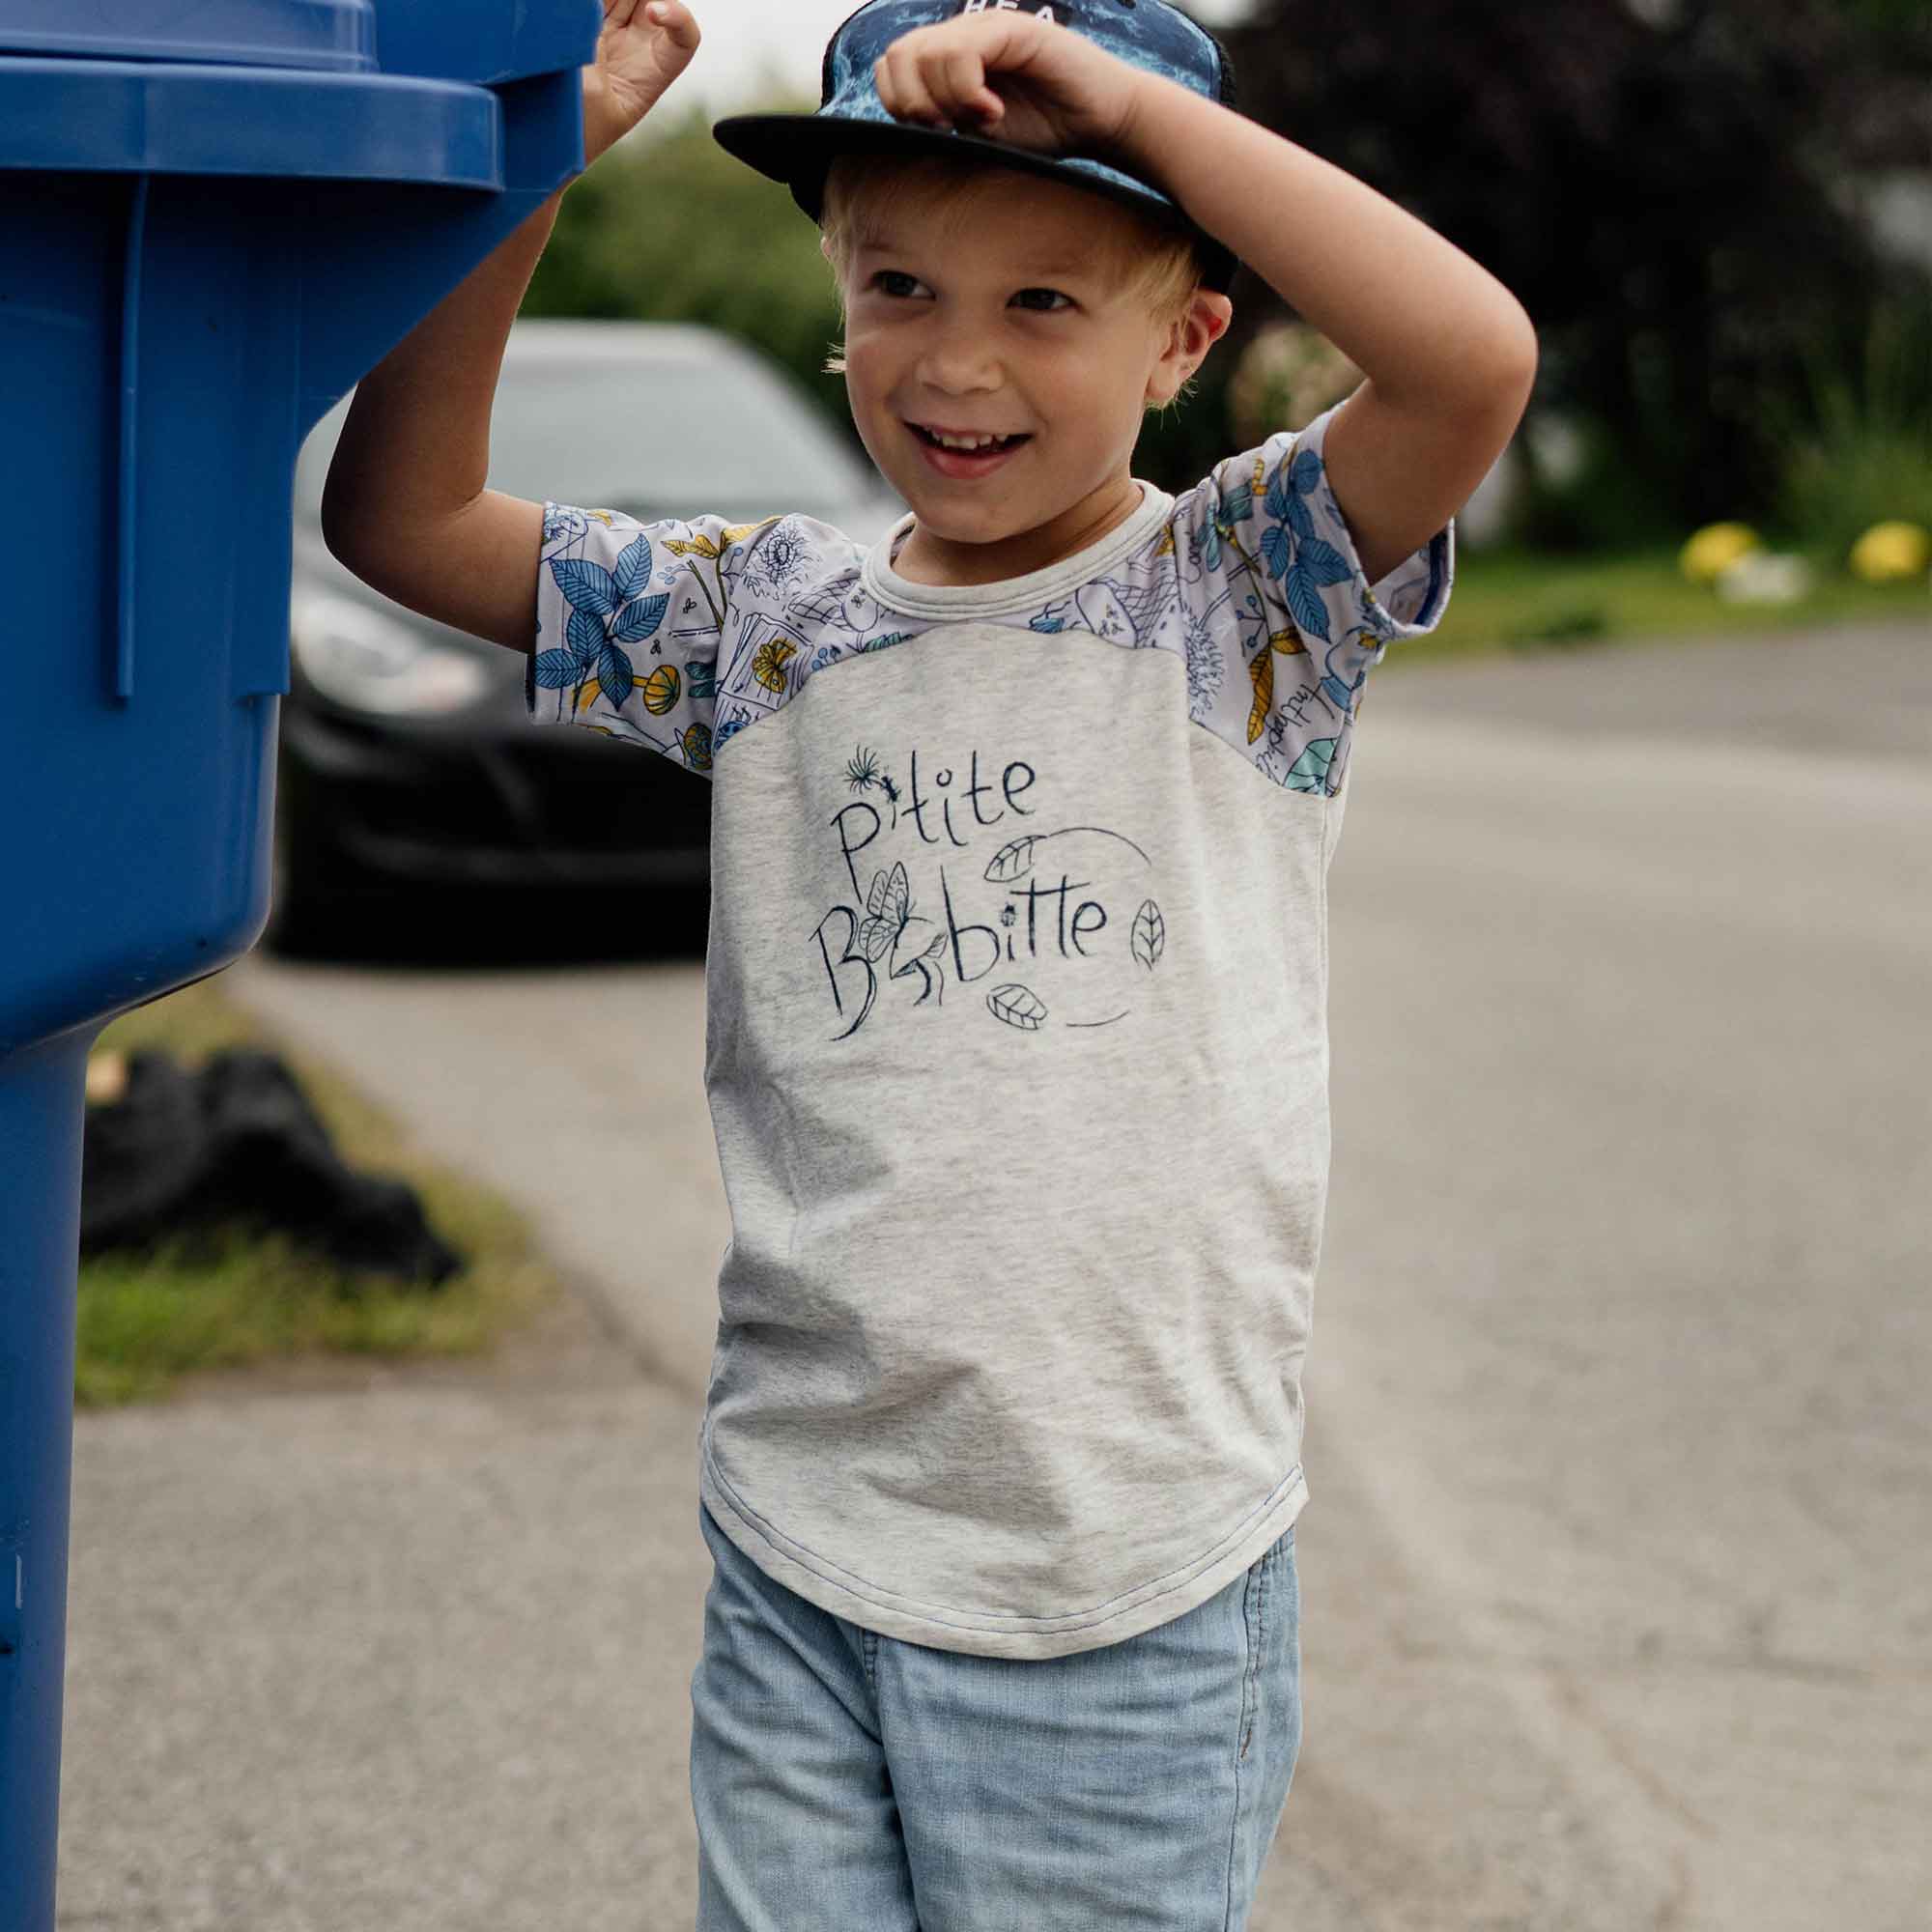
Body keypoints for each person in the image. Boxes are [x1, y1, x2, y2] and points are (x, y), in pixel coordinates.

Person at [321, 1, 1536, 1923]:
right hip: (803, 1539)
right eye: (900, 283)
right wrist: (539, 152)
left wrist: (1134, 111)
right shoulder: (763, 617)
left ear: (1188, 336)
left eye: (1048, 302)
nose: (954, 363)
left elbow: (1471, 360)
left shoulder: (1244, 596)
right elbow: (397, 518)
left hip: (1120, 1576)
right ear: (837, 288)